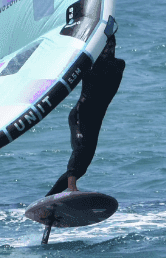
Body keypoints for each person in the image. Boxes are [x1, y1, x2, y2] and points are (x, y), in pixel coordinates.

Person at [47, 34, 125, 196]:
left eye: (110, 46)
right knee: (81, 149)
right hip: (80, 115)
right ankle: (71, 189)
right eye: (104, 47)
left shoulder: (118, 64)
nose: (107, 50)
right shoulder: (87, 65)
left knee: (82, 168)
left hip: (95, 120)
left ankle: (50, 198)